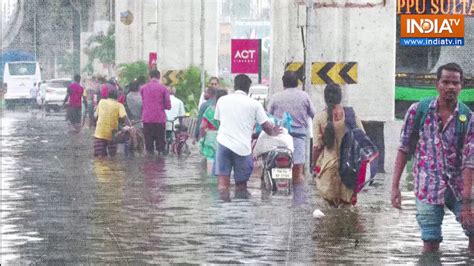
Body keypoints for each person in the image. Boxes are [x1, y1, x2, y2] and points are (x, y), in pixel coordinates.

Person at [391, 63, 474, 252]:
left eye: (455, 83)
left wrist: (468, 202)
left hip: (460, 187)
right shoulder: (418, 111)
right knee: (430, 239)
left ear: (461, 86)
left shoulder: (468, 118)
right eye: (446, 82)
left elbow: (470, 162)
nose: (451, 87)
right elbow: (404, 149)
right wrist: (395, 187)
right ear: (437, 84)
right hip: (427, 186)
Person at [214, 74, 280, 197]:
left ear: (235, 86)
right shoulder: (254, 104)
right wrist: (275, 132)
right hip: (242, 148)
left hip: (223, 145)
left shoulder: (222, 100)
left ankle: (223, 211)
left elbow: (219, 122)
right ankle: (241, 213)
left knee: (223, 183)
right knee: (241, 185)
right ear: (248, 88)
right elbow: (266, 126)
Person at [312, 84, 365, 207]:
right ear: (340, 97)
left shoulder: (319, 118)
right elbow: (362, 137)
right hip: (349, 168)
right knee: (347, 210)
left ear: (325, 98)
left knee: (328, 214)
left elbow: (316, 147)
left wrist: (314, 165)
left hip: (328, 168)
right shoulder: (351, 115)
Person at [268, 71, 316, 184]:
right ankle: (299, 199)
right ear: (297, 83)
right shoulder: (304, 96)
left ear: (283, 83)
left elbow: (268, 115)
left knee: (276, 166)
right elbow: (313, 114)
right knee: (298, 171)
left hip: (280, 137)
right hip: (298, 138)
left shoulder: (276, 97)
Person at [140, 69, 172, 155]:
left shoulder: (143, 88)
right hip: (160, 120)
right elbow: (168, 106)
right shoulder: (164, 89)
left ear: (149, 77)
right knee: (161, 147)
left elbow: (142, 103)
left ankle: (149, 165)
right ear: (159, 77)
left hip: (147, 120)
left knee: (149, 146)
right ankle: (160, 165)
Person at [93, 89, 131, 157]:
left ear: (108, 95)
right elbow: (125, 118)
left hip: (99, 134)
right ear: (117, 97)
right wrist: (130, 127)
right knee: (112, 157)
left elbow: (96, 117)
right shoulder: (119, 105)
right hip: (112, 135)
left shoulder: (101, 102)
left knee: (100, 157)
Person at [199, 89, 228, 175]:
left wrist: (203, 137)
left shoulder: (210, 110)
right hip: (225, 139)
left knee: (210, 167)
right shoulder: (228, 111)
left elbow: (202, 126)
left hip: (210, 140)